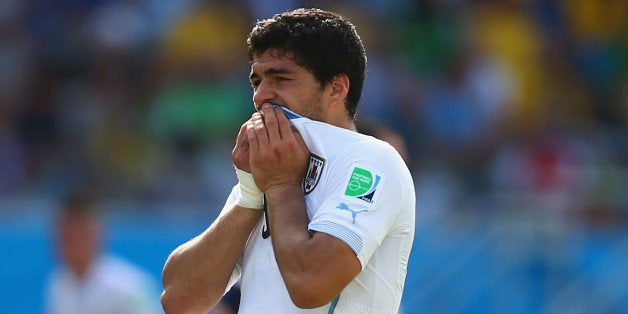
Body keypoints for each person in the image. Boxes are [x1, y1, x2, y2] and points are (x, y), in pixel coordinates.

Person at [161, 8, 416, 313]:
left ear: (336, 88)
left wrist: (282, 186)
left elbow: (310, 285)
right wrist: (252, 194)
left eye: (280, 79)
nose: (260, 96)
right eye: (257, 81)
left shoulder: (372, 160)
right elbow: (179, 301)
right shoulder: (269, 170)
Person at [45, 190, 161, 314]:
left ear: (97, 234)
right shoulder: (59, 282)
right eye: (66, 235)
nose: (73, 242)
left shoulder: (129, 286)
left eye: (80, 234)